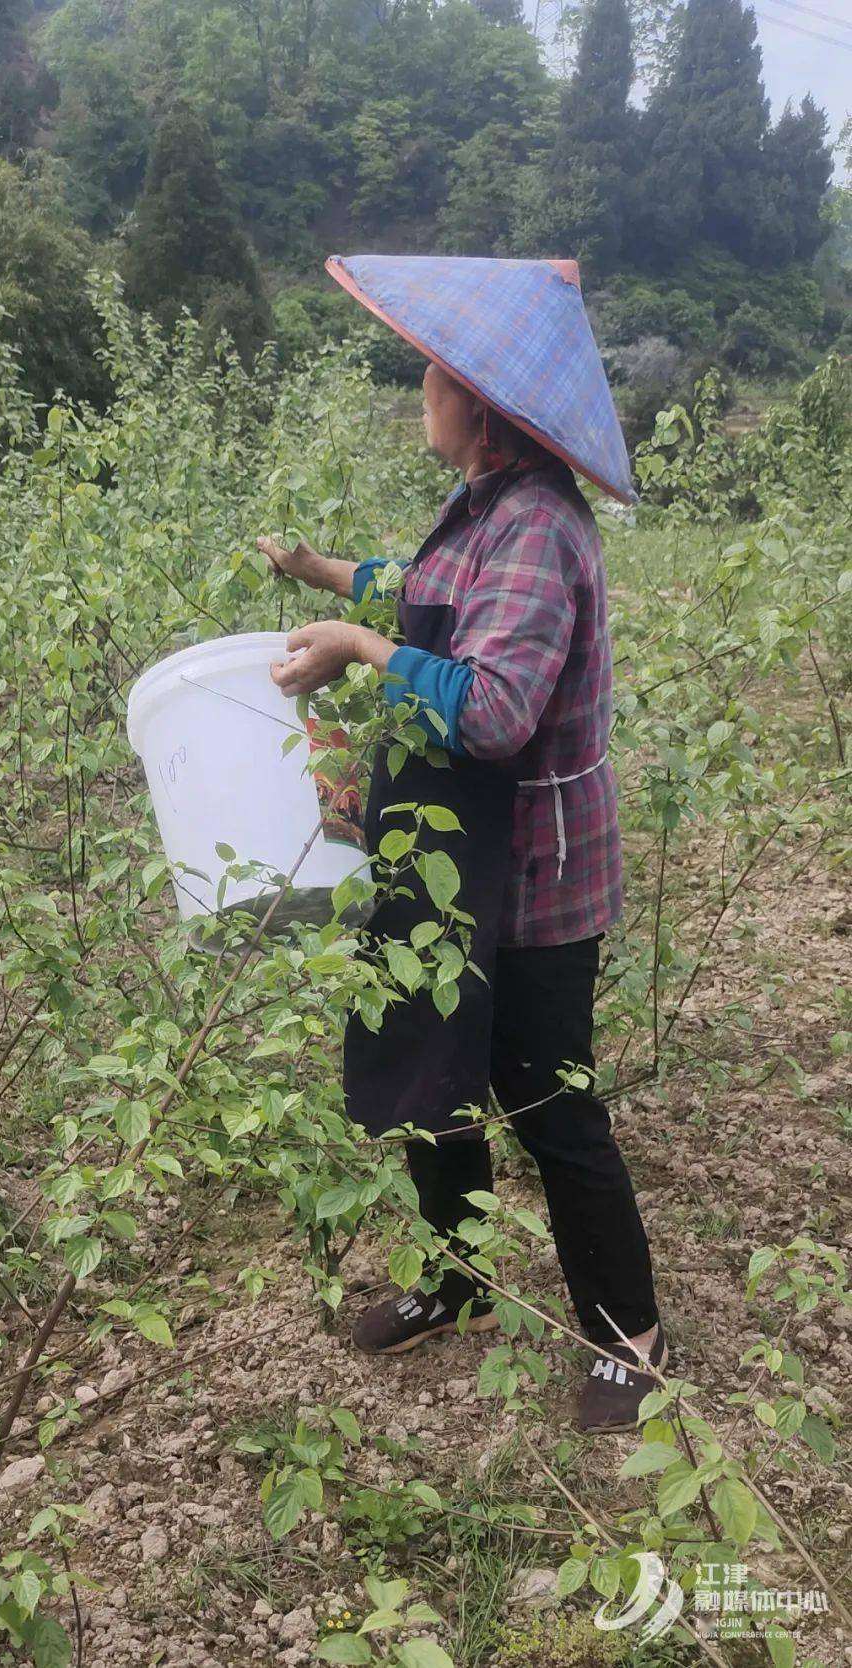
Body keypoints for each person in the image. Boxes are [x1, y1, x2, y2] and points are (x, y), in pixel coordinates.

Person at [256, 254, 664, 1433]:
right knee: (433, 1072)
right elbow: (419, 589)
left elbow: (490, 713)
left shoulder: (537, 530)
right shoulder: (483, 506)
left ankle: (629, 1335)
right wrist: (320, 574)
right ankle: (459, 1284)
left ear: (480, 413)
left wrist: (358, 647)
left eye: (432, 379)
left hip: (530, 872)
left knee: (547, 1105)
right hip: (445, 857)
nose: (420, 393)